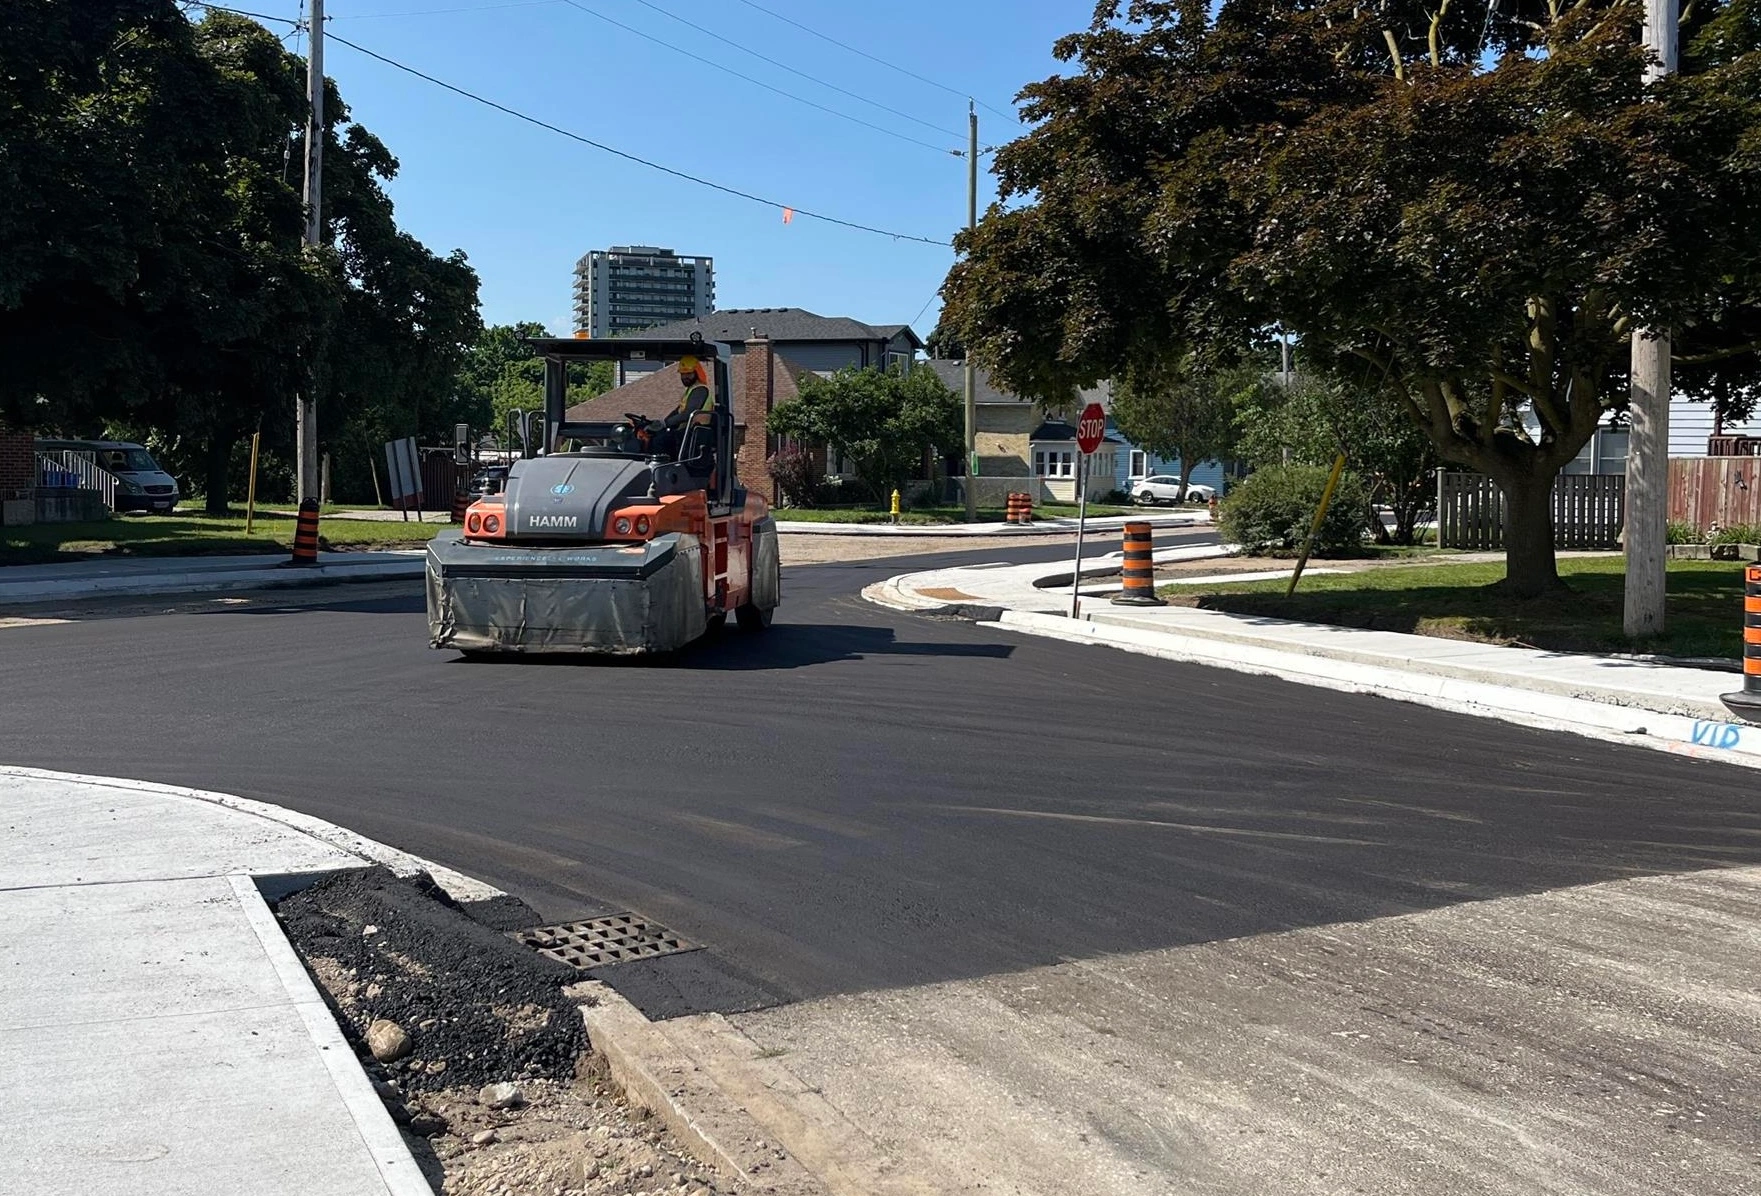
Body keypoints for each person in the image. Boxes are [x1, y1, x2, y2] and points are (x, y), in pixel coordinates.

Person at [657, 356, 714, 462]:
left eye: (688, 374)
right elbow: (678, 411)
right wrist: (661, 423)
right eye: (683, 374)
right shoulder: (690, 391)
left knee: (660, 440)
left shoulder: (700, 390)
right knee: (659, 436)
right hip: (687, 433)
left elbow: (688, 414)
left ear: (696, 373)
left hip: (696, 434)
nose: (685, 377)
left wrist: (666, 424)